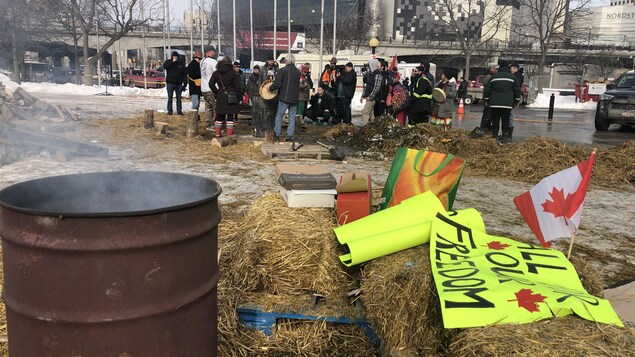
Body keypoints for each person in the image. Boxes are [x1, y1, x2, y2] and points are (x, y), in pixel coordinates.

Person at [484, 59, 522, 143]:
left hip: (494, 103)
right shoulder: (513, 77)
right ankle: (505, 136)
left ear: (500, 67)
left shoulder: (493, 77)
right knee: (506, 120)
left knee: (495, 119)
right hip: (507, 104)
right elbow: (517, 90)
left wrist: (487, 99)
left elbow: (487, 89)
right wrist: (517, 101)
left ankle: (495, 136)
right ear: (508, 68)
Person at [269, 54, 301, 142]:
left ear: (287, 61)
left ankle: (277, 134)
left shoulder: (282, 70)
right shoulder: (298, 71)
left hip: (285, 97)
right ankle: (290, 136)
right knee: (292, 117)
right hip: (294, 98)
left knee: (279, 116)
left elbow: (277, 84)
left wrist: (270, 88)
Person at [209, 57, 241, 138]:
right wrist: (239, 97)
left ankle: (217, 134)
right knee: (230, 116)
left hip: (220, 95)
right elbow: (237, 87)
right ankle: (229, 135)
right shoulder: (232, 73)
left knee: (219, 115)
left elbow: (211, 84)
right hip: (231, 96)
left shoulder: (217, 72)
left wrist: (217, 92)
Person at [162, 51, 187, 115]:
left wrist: (185, 83)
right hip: (170, 83)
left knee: (179, 98)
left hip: (178, 84)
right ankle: (170, 111)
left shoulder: (180, 64)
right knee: (170, 97)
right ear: (172, 57)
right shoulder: (168, 62)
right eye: (174, 56)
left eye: (176, 57)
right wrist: (172, 62)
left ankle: (179, 110)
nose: (175, 58)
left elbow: (184, 73)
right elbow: (165, 67)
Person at [360, 58, 383, 124]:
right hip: (370, 97)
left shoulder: (377, 74)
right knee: (371, 114)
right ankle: (373, 128)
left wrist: (370, 96)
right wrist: (363, 95)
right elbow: (367, 86)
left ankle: (366, 126)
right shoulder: (371, 74)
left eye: (369, 66)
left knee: (365, 112)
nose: (368, 68)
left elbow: (377, 88)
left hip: (372, 98)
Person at [200, 46, 218, 130]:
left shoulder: (202, 62)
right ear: (210, 52)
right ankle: (216, 124)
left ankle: (208, 124)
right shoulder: (213, 61)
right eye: (213, 51)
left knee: (208, 107)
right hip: (211, 88)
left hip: (204, 88)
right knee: (215, 107)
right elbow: (217, 73)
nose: (214, 53)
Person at [508, 62, 524, 140]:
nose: (511, 70)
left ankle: (509, 133)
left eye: (513, 68)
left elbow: (516, 88)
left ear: (516, 69)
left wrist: (516, 100)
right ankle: (509, 132)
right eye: (511, 68)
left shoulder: (517, 76)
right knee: (509, 114)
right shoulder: (517, 75)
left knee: (509, 114)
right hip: (513, 97)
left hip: (512, 97)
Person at [479, 64, 498, 130]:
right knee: (487, 115)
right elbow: (488, 89)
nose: (496, 70)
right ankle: (483, 128)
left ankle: (486, 128)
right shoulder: (489, 77)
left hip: (489, 98)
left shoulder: (490, 76)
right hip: (488, 99)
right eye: (495, 69)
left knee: (489, 115)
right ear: (491, 69)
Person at [247, 65, 263, 137]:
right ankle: (254, 126)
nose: (256, 71)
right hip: (252, 95)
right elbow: (248, 86)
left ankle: (258, 125)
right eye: (255, 69)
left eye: (257, 70)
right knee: (254, 111)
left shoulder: (260, 77)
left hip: (259, 95)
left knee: (259, 111)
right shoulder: (251, 77)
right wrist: (248, 94)